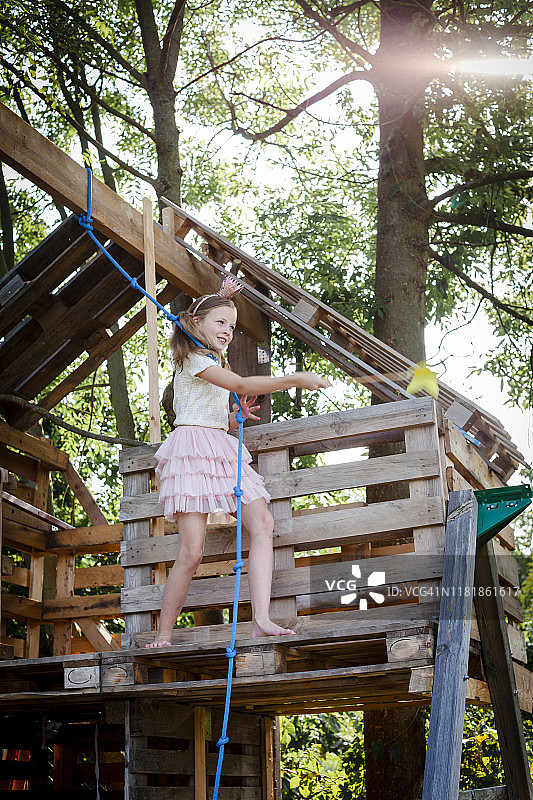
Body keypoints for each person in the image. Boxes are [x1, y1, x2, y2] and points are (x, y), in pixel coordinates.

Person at [146, 277, 331, 648]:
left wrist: (233, 419)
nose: (228, 331)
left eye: (231, 326)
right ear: (196, 322)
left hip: (219, 446)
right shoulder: (193, 359)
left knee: (263, 522)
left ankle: (260, 619)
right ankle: (164, 634)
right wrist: (294, 379)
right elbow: (241, 385)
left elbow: (212, 414)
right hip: (191, 450)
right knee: (192, 551)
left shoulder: (212, 359)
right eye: (220, 323)